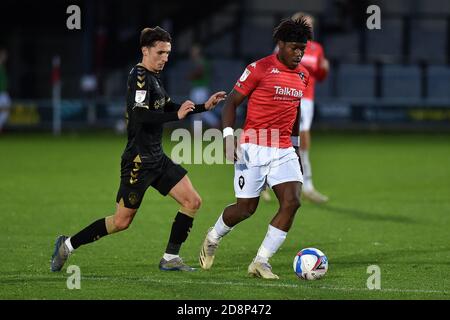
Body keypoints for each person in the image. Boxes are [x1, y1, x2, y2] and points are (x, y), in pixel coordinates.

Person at [51, 26, 226, 272]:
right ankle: (67, 245)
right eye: (160, 52)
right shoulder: (139, 77)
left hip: (157, 157)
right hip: (138, 161)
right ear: (145, 50)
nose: (165, 57)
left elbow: (166, 106)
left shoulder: (154, 77)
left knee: (192, 201)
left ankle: (170, 258)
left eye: (168, 53)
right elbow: (140, 115)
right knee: (121, 222)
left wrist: (203, 107)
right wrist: (176, 114)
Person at [198, 17, 312, 279]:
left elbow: (294, 114)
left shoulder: (303, 75)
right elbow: (231, 104)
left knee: (292, 202)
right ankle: (214, 236)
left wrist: (295, 149)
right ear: (280, 44)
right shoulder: (259, 68)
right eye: (294, 47)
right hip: (253, 147)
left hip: (283, 148)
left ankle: (261, 261)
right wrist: (228, 138)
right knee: (246, 209)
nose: (299, 53)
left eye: (302, 49)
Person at [261, 12, 329, 203]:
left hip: (306, 98)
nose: (308, 28)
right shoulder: (285, 45)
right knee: (277, 135)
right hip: (286, 94)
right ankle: (264, 180)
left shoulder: (316, 49)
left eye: (310, 25)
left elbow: (320, 76)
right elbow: (273, 67)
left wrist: (324, 68)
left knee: (302, 137)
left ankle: (306, 184)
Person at [188, 44, 219, 128]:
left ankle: (215, 123)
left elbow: (199, 73)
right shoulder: (204, 62)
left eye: (194, 51)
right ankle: (197, 131)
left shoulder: (200, 62)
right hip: (201, 88)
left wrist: (191, 76)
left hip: (200, 89)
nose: (192, 53)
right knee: (198, 111)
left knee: (200, 110)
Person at [0, 49, 11, 133]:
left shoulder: (2, 67)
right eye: (3, 55)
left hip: (3, 92)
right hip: (1, 93)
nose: (5, 57)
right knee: (5, 110)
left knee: (5, 111)